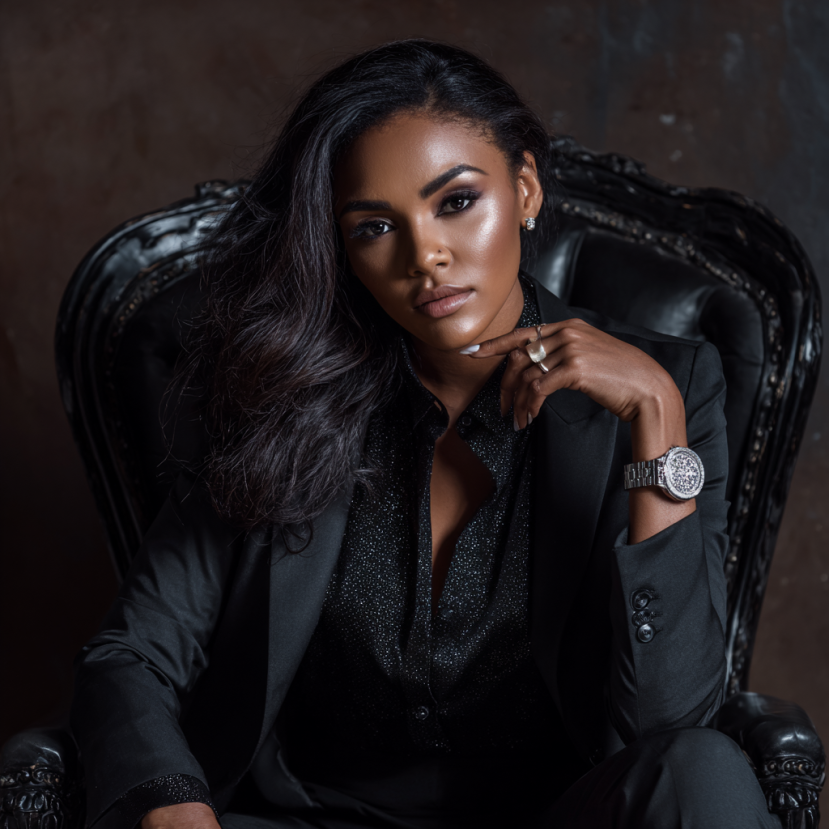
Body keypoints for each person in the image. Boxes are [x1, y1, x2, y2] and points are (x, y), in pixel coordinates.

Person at [71, 39, 779, 829]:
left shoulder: (671, 389)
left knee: (703, 768)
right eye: (374, 227)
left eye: (455, 201)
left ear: (525, 187)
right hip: (310, 821)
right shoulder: (275, 396)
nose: (426, 257)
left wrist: (656, 418)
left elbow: (668, 725)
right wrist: (172, 802)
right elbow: (131, 655)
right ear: (343, 251)